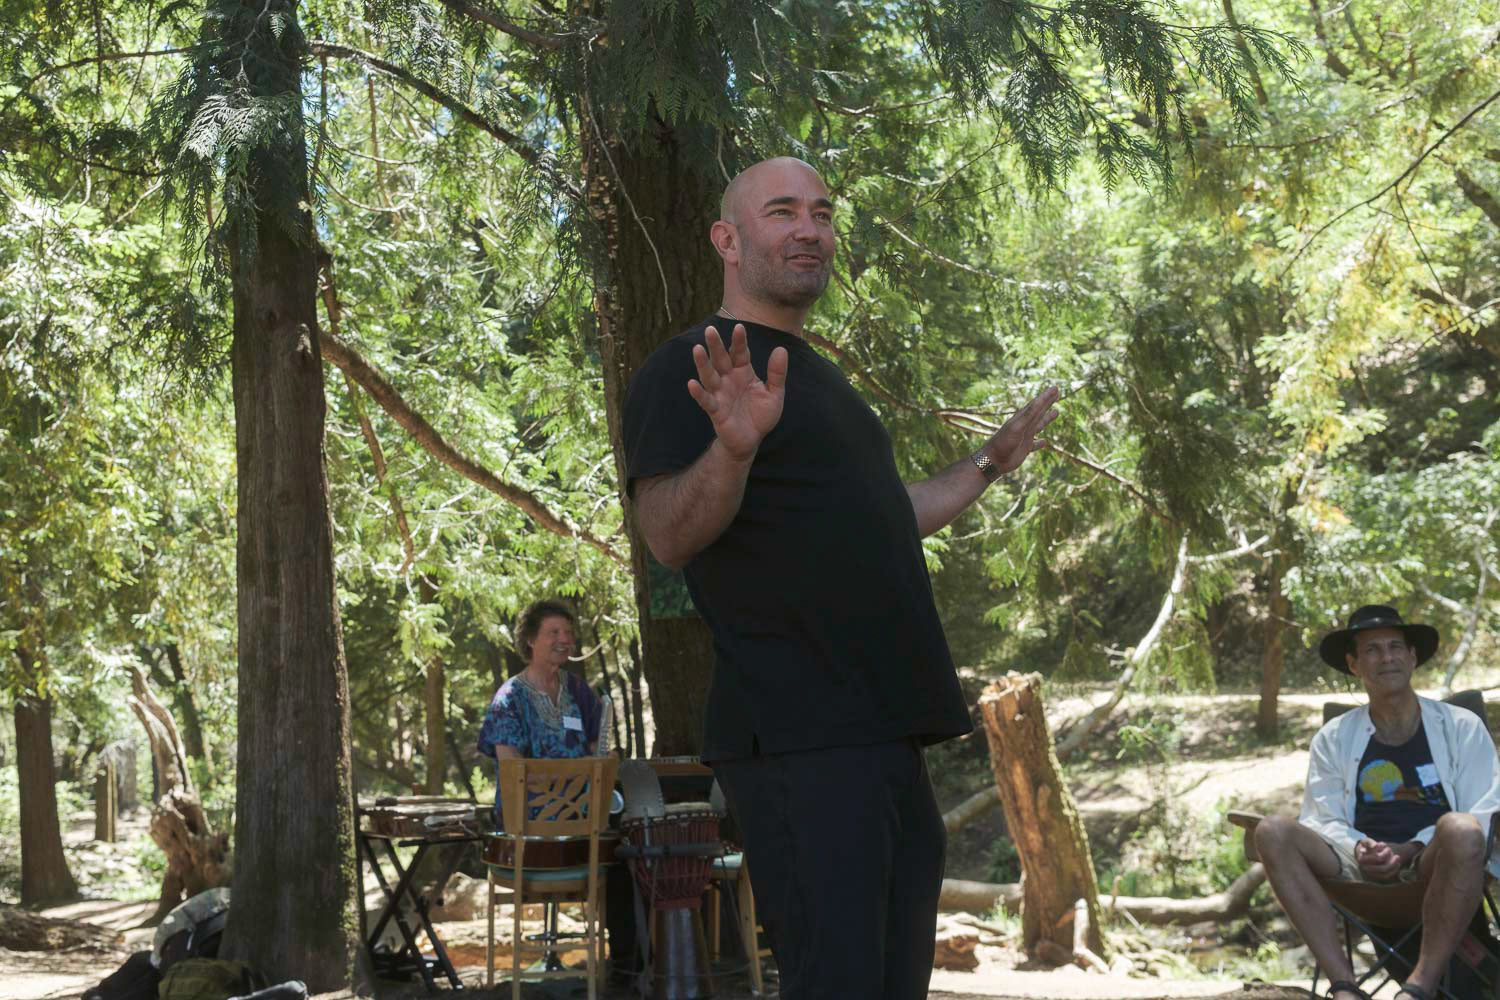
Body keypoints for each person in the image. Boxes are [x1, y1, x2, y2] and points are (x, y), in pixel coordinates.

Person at [621, 155, 1058, 999]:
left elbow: (885, 514)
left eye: (821, 214)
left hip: (886, 733)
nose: (810, 230)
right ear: (727, 240)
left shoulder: (818, 380)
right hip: (800, 736)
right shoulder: (695, 366)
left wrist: (988, 464)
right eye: (783, 212)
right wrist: (732, 449)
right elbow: (667, 534)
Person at [1254, 605, 1500, 1000]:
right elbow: (1321, 819)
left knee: (1462, 827)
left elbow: (1483, 812)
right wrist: (1360, 848)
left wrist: (1410, 848)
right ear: (1353, 665)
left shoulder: (1460, 726)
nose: (1387, 657)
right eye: (1372, 650)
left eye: (1395, 646)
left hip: (1436, 862)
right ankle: (1344, 986)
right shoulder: (1334, 737)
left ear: (1412, 657)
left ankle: (1417, 989)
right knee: (1272, 831)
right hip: (1357, 873)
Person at [475, 600, 635, 977]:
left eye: (568, 632)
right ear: (531, 640)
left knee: (632, 849)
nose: (565, 639)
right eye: (554, 632)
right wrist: (570, 779)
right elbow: (511, 769)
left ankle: (628, 966)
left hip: (584, 824)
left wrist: (607, 760)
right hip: (529, 831)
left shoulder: (578, 691)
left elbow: (601, 749)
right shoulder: (509, 698)